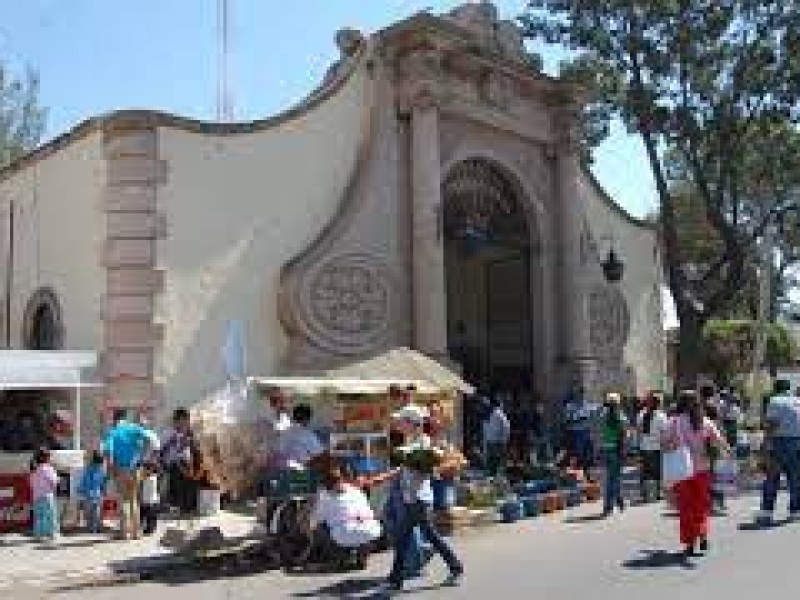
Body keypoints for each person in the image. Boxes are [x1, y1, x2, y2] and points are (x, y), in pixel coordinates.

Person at [662, 391, 729, 559]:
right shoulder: (705, 422)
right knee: (701, 506)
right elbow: (720, 441)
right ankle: (703, 534)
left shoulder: (674, 422)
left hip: (682, 472)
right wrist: (727, 452)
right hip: (703, 470)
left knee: (686, 508)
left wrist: (675, 445)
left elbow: (664, 444)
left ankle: (690, 543)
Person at [386, 447, 463, 592]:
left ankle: (396, 579)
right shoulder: (416, 467)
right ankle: (455, 566)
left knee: (403, 541)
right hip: (419, 505)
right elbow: (397, 472)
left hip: (416, 506)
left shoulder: (416, 466)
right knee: (427, 537)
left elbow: (404, 470)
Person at [310, 461, 382, 569]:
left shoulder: (325, 495)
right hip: (372, 529)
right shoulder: (355, 490)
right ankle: (362, 556)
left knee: (319, 528)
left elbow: (317, 519)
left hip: (345, 532)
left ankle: (341, 558)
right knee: (362, 530)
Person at [102, 409, 159, 540]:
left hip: (120, 469)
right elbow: (150, 441)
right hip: (135, 468)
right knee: (134, 499)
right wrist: (142, 456)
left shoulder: (113, 432)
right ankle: (136, 532)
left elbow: (108, 452)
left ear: (115, 419)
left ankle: (124, 532)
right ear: (125, 417)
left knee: (123, 500)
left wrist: (110, 469)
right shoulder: (134, 428)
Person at [757, 379, 800, 525]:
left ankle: (766, 512)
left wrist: (765, 444)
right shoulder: (797, 400)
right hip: (797, 441)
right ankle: (795, 511)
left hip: (780, 442)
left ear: (775, 389)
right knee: (795, 479)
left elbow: (772, 424)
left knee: (772, 478)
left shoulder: (775, 401)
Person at [159, 408, 198, 515]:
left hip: (187, 463)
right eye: (182, 420)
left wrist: (190, 442)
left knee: (189, 485)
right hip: (174, 464)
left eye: (186, 420)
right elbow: (161, 450)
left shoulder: (190, 432)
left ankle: (188, 508)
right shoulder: (168, 433)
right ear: (176, 420)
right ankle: (178, 507)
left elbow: (193, 447)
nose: (185, 423)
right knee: (177, 486)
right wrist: (171, 443)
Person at [637, 391, 668, 503]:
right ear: (658, 404)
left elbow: (639, 431)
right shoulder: (661, 416)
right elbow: (664, 432)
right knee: (657, 472)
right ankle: (657, 493)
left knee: (645, 471)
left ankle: (644, 493)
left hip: (644, 446)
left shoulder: (641, 414)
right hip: (657, 447)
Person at [600, 393, 628, 517]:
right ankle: (617, 501)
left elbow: (598, 433)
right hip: (617, 449)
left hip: (605, 449)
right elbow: (624, 435)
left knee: (609, 478)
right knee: (615, 478)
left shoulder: (602, 416)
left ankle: (610, 505)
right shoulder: (620, 416)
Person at [564, 385, 596, 481]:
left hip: (586, 432)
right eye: (578, 393)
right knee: (578, 454)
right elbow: (567, 420)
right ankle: (575, 477)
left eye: (582, 393)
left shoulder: (586, 404)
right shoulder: (570, 406)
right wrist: (578, 419)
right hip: (575, 433)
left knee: (588, 455)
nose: (580, 395)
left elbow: (593, 413)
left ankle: (587, 475)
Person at [279, 404, 325, 469]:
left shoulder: (285, 433)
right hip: (303, 470)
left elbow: (281, 451)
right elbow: (319, 453)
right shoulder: (307, 435)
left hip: (285, 469)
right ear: (307, 419)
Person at [30, 448, 60, 544]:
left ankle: (39, 535)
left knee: (39, 517)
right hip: (47, 496)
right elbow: (54, 481)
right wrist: (58, 478)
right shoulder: (48, 468)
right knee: (50, 516)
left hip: (36, 496)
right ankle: (52, 534)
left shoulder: (34, 470)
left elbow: (31, 484)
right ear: (46, 458)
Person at [77, 450, 108, 534]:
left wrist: (80, 490)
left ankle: (91, 527)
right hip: (97, 494)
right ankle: (95, 527)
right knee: (96, 512)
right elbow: (103, 482)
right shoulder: (101, 470)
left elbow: (84, 481)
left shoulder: (88, 469)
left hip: (88, 494)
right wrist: (104, 491)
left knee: (89, 512)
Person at [482, 396, 511, 477]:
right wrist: (485, 445)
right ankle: (491, 478)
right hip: (490, 443)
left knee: (498, 463)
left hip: (498, 443)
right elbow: (485, 431)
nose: (485, 406)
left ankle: (499, 479)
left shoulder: (499, 414)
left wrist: (504, 442)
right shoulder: (486, 415)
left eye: (487, 403)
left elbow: (506, 428)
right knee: (490, 463)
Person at [139, 461, 161, 536]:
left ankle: (150, 529)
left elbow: (142, 478)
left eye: (145, 469)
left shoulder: (151, 478)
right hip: (150, 501)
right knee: (150, 517)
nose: (143, 470)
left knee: (149, 517)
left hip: (149, 501)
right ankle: (149, 528)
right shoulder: (153, 477)